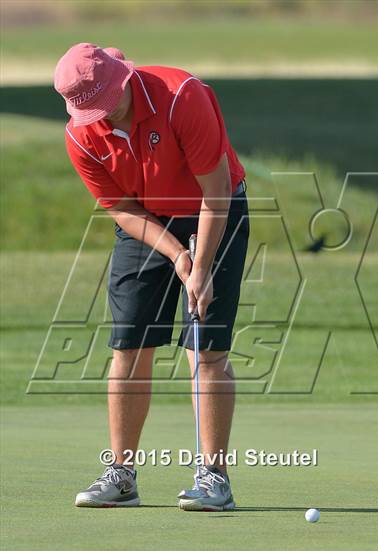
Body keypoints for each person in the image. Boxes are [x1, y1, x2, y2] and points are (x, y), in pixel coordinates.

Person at [54, 43, 249, 511]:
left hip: (213, 209)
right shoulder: (82, 137)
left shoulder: (182, 96)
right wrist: (176, 254)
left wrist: (200, 267)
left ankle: (213, 478)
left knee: (205, 347)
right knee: (128, 347)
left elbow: (216, 187)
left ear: (123, 78)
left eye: (105, 103)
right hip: (146, 223)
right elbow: (121, 207)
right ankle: (121, 475)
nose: (100, 117)